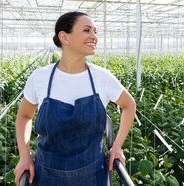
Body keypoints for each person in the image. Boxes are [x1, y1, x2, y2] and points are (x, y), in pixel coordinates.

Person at [13, 11, 136, 186]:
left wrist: (116, 146)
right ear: (64, 37)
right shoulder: (40, 77)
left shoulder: (102, 77)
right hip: (47, 176)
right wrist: (24, 156)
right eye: (87, 30)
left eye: (95, 31)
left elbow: (129, 105)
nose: (94, 37)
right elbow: (24, 116)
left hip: (94, 177)